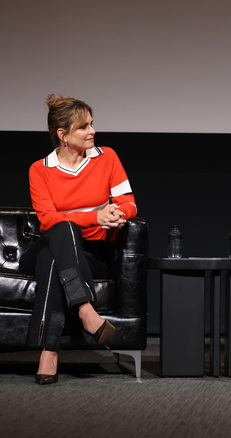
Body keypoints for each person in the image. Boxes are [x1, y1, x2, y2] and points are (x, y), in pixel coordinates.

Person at [19, 94, 137, 385]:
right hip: (45, 244)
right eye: (83, 127)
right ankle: (85, 309)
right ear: (63, 135)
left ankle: (49, 351)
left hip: (91, 256)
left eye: (92, 124)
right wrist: (95, 217)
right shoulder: (40, 169)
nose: (92, 131)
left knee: (52, 259)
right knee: (62, 229)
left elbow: (130, 203)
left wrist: (115, 213)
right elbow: (48, 220)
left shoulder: (106, 157)